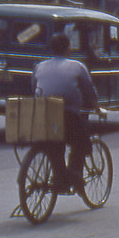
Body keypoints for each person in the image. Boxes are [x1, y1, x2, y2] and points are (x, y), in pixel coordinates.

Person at [31, 32, 99, 193]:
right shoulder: (77, 66)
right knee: (82, 144)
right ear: (68, 49)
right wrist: (96, 107)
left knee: (55, 145)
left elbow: (34, 89)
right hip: (67, 114)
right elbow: (89, 91)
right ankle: (73, 175)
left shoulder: (39, 67)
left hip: (43, 113)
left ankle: (61, 176)